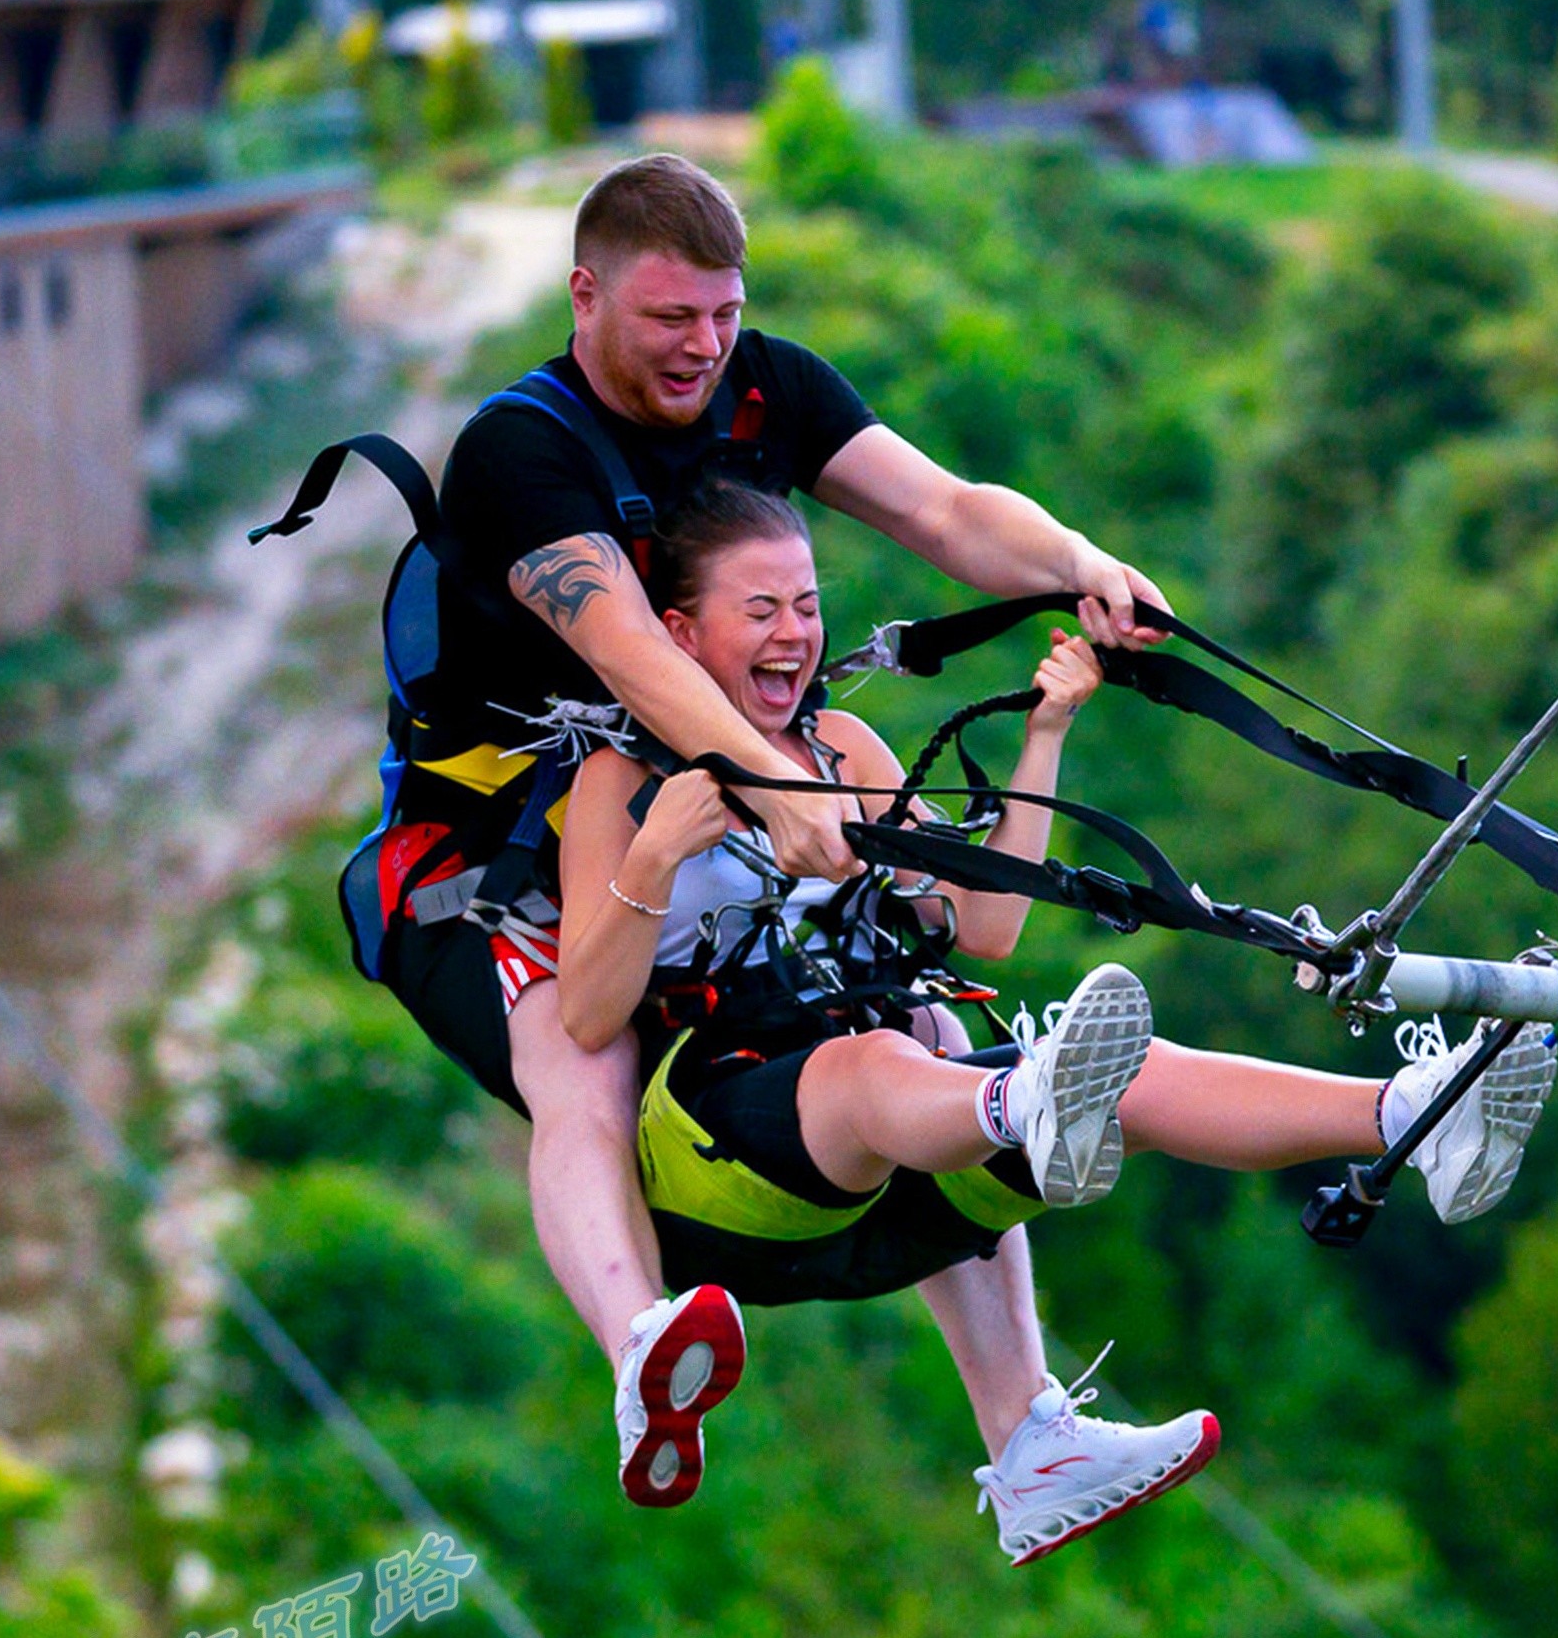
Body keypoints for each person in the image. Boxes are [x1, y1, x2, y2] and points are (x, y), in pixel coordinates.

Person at [360, 152, 1173, 1503]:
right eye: (672, 317)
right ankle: (636, 1343)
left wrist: (1078, 563)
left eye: (724, 314)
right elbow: (633, 655)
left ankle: (1029, 1436)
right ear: (586, 294)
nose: (704, 347)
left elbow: (946, 511)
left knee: (907, 1012)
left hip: (720, 797)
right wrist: (782, 786)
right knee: (584, 1060)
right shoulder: (523, 450)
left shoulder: (765, 385)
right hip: (497, 837)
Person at [546, 479, 1557, 1564]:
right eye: (760, 611)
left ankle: (1411, 1114)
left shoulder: (843, 750)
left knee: (1114, 1070)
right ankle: (1016, 1100)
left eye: (804, 604)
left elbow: (982, 923)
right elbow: (588, 1013)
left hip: (894, 1130)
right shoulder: (624, 781)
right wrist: (654, 859)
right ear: (680, 634)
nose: (793, 632)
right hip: (720, 1142)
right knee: (884, 1059)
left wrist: (1044, 736)